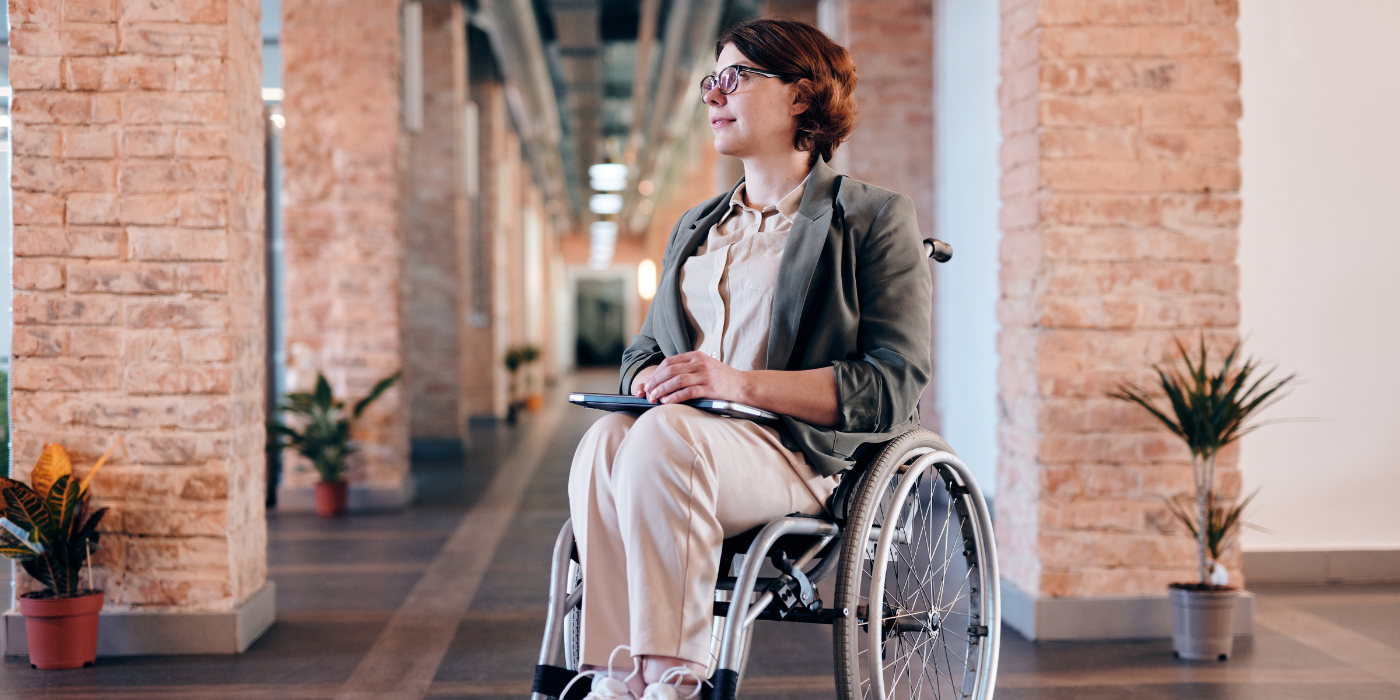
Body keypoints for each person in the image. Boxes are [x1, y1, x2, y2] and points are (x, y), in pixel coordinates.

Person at [567, 17, 932, 697]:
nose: (712, 95)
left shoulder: (872, 218)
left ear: (800, 95)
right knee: (605, 440)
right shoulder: (698, 226)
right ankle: (616, 674)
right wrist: (646, 375)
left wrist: (741, 383)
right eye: (711, 81)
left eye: (732, 79)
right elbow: (646, 346)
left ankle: (673, 678)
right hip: (682, 446)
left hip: (794, 455)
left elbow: (893, 384)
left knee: (663, 439)